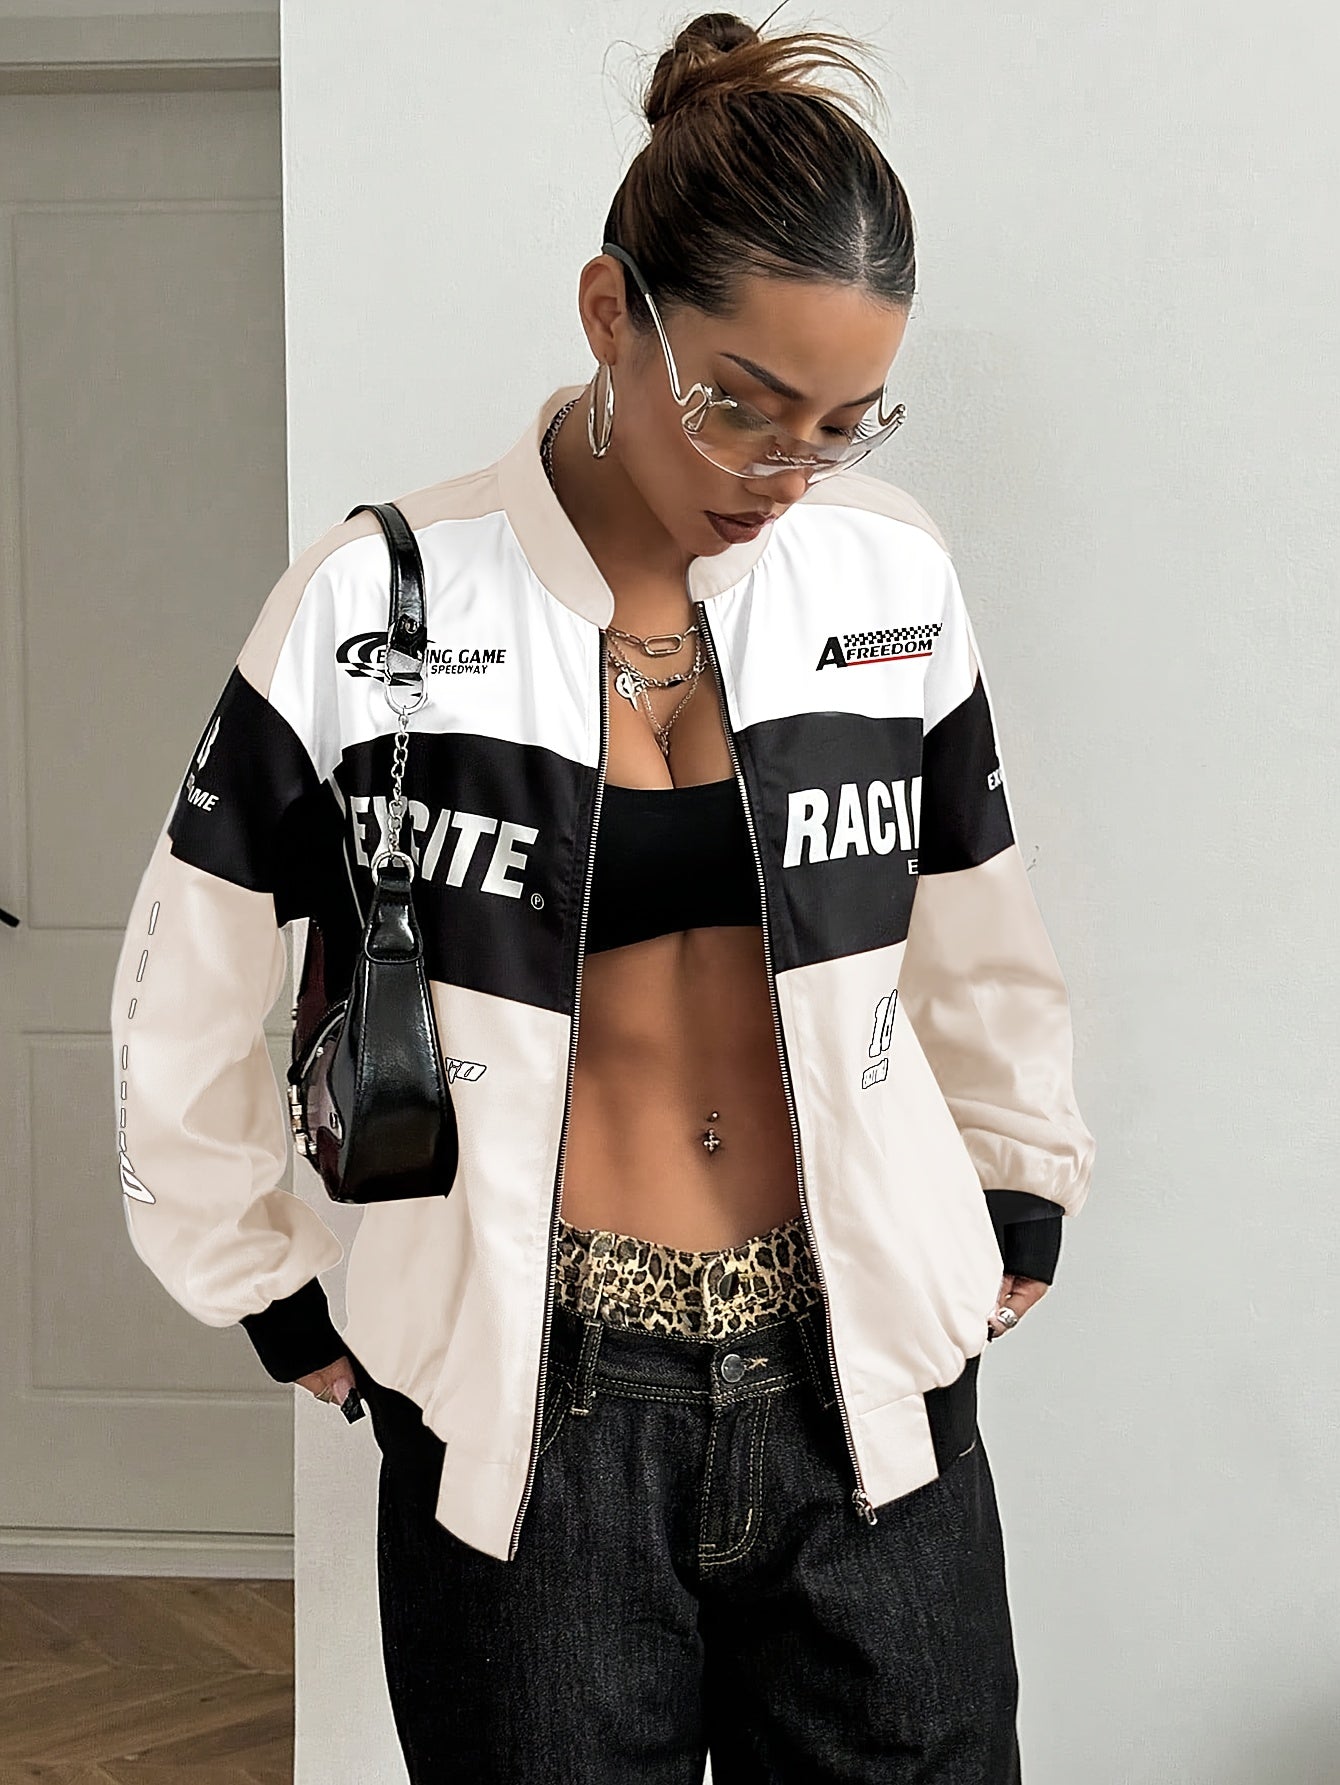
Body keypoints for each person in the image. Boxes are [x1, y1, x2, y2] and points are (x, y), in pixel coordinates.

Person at [109, 11, 1096, 1780]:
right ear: (607, 313)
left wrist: (1019, 1182)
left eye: (841, 424)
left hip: (865, 1385)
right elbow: (183, 970)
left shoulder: (889, 576)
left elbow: (973, 908)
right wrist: (266, 1283)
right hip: (540, 1416)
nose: (782, 472)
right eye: (739, 403)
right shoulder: (375, 608)